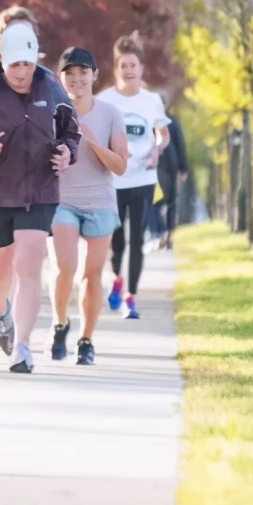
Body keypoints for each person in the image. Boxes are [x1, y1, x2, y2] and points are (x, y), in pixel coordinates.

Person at [0, 18, 79, 373]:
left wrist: (68, 152)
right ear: (2, 62)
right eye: (14, 65)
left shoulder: (52, 89)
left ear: (36, 59)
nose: (22, 73)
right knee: (0, 270)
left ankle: (22, 346)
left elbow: (72, 131)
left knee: (31, 262)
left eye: (27, 63)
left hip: (41, 189)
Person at [50, 47, 128, 366]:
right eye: (70, 73)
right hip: (62, 200)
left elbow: (120, 166)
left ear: (95, 75)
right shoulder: (53, 111)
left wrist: (92, 141)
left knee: (92, 274)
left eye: (84, 72)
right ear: (61, 78)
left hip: (100, 202)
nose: (77, 79)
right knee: (65, 267)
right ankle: (60, 323)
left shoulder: (111, 113)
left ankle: (86, 340)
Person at [96, 33, 169, 320]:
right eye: (123, 65)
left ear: (141, 69)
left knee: (137, 239)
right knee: (116, 241)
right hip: (112, 180)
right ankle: (116, 278)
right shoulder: (105, 100)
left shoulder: (151, 101)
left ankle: (131, 297)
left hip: (142, 179)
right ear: (117, 69)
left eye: (133, 65)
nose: (129, 70)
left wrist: (157, 151)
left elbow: (162, 133)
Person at [154, 115, 190, 250]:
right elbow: (180, 144)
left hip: (157, 165)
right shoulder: (172, 120)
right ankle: (169, 234)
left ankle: (160, 233)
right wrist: (183, 167)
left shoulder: (150, 118)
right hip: (172, 164)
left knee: (157, 201)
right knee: (171, 202)